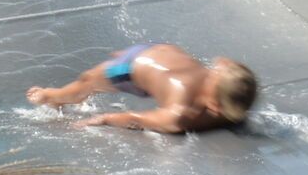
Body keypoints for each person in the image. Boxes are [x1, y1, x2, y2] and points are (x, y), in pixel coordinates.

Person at [26, 43, 257, 134]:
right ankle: (53, 95)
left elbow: (137, 118)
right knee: (82, 88)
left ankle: (51, 96)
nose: (212, 69)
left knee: (89, 80)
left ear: (215, 106)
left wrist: (103, 119)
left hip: (133, 68)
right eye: (215, 68)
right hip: (136, 63)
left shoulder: (177, 116)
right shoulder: (230, 108)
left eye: (212, 76)